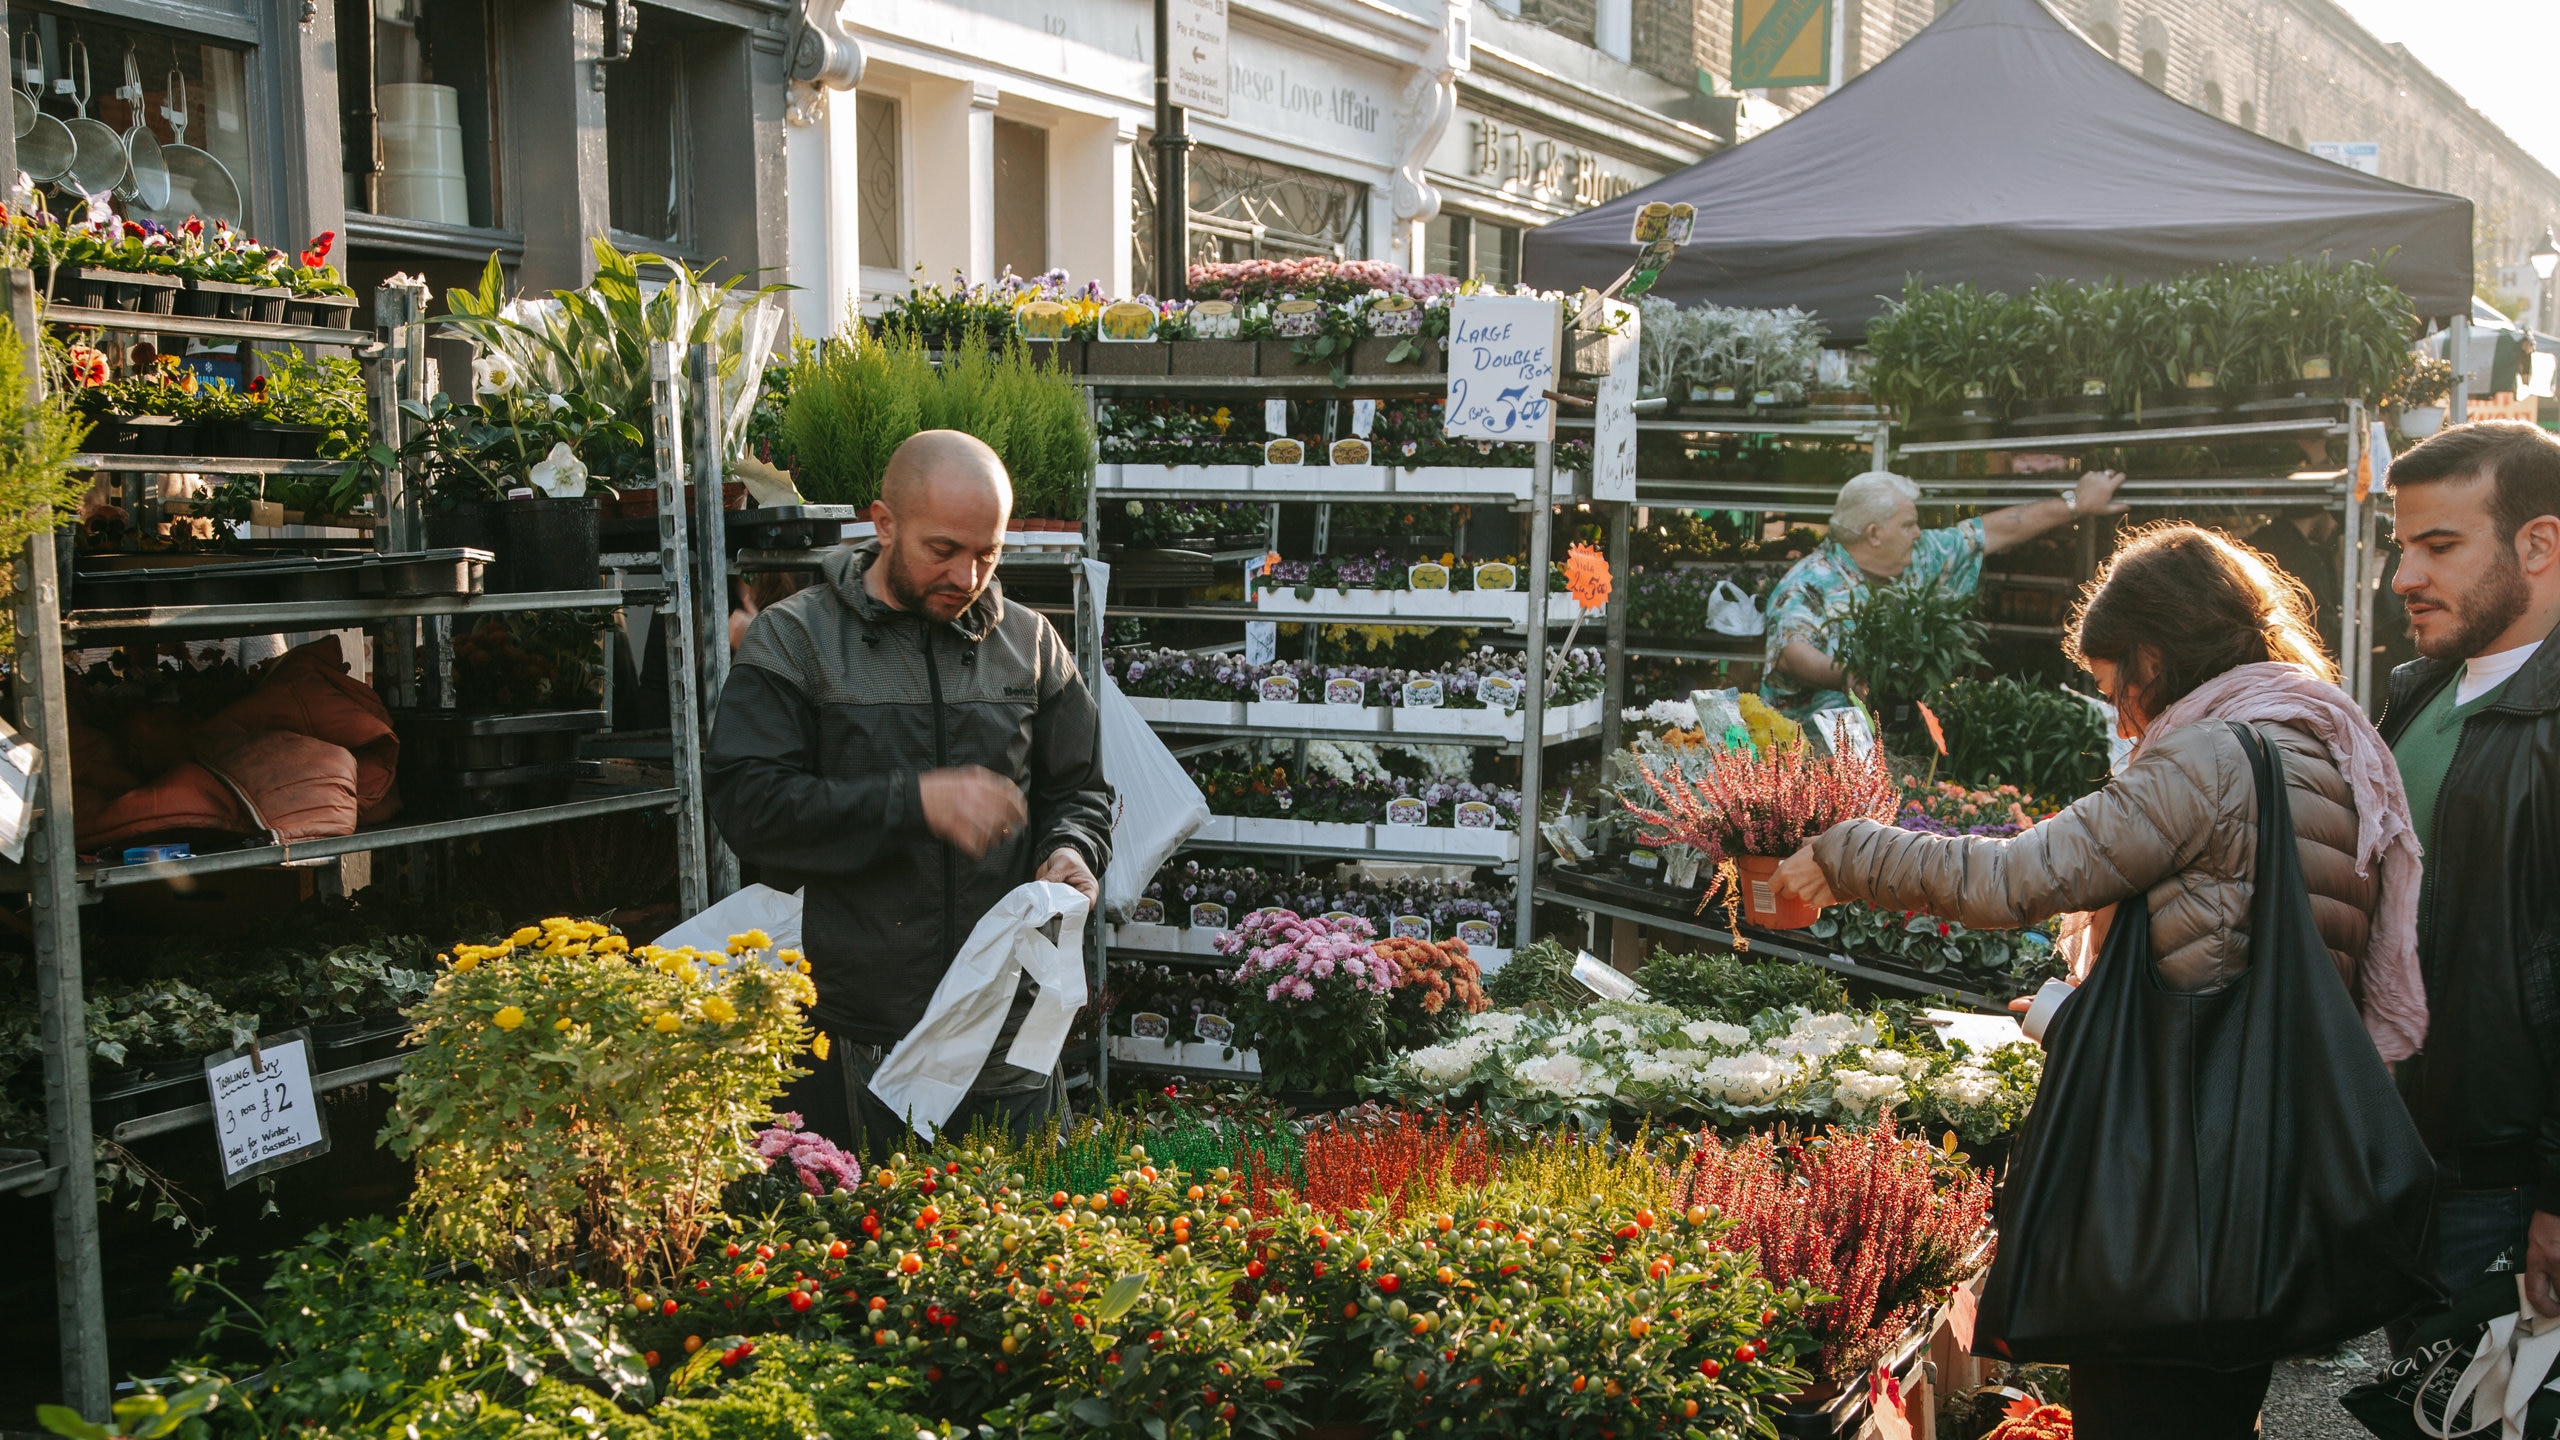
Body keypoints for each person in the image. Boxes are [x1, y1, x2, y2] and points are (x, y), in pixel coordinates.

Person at [1770, 522, 2426, 1439]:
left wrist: (1846, 851)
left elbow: (2014, 880)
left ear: (2156, 657)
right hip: (2257, 1171)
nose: (2121, 718)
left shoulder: (2211, 757)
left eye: (2119, 688)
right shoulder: (2321, 742)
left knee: (2143, 1413)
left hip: (2177, 1173)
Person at [703, 429, 1113, 1158]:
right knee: (868, 1251)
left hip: (1007, 1029)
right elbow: (750, 808)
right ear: (884, 524)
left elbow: (1079, 788)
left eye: (989, 553)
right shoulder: (795, 643)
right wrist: (914, 803)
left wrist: (1070, 848)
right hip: (857, 1030)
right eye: (944, 550)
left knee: (1036, 1253)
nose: (968, 575)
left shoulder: (1032, 644)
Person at [2374, 421, 2560, 1320]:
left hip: (2512, 1185)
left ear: (2538, 544)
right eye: (2402, 547)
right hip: (2413, 1157)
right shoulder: (2416, 690)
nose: (2405, 577)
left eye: (2439, 546)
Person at [1760, 468, 2130, 719]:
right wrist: (1853, 675)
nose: (1918, 532)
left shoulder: (1919, 556)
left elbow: (1990, 532)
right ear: (1873, 534)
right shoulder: (1808, 582)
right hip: (1809, 748)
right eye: (1908, 524)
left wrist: (2076, 503)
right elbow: (1792, 653)